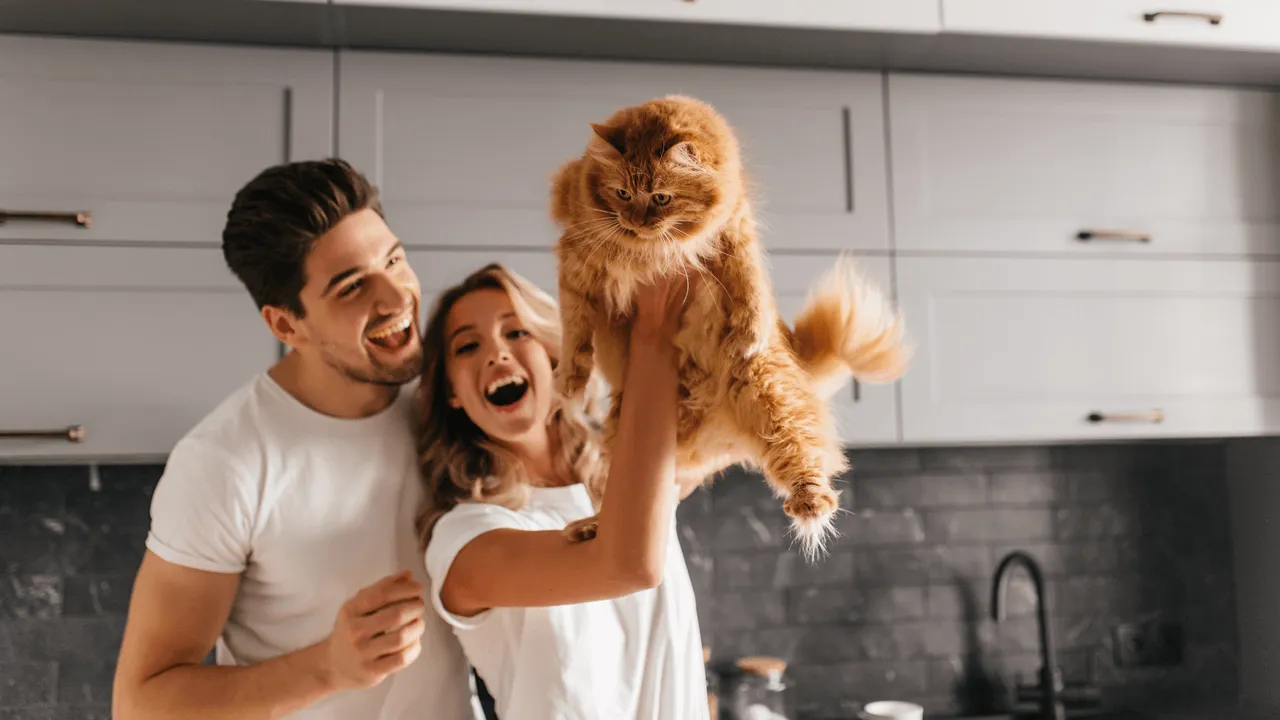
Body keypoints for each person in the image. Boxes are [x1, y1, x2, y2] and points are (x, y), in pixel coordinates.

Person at [113, 159, 477, 720]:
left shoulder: (449, 396)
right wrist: (328, 667)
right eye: (352, 286)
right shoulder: (224, 463)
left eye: (394, 260)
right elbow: (143, 703)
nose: (395, 297)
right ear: (287, 326)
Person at [415, 262, 708, 720]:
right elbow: (628, 564)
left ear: (555, 351)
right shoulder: (464, 540)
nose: (497, 354)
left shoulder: (626, 480)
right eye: (468, 346)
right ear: (451, 392)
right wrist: (653, 332)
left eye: (517, 333)